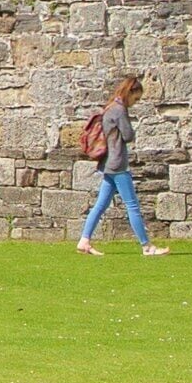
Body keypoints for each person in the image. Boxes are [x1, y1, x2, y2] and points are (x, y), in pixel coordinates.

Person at [76, 75, 170, 256]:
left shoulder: (110, 107)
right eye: (137, 98)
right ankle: (146, 246)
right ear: (130, 92)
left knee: (101, 205)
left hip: (109, 163)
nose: (136, 102)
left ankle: (84, 240)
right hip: (118, 164)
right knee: (132, 205)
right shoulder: (119, 110)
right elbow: (127, 135)